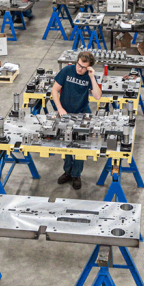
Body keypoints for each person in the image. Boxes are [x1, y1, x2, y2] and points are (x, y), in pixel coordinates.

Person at [52, 50, 102, 190]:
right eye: (78, 65)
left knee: (80, 147)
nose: (79, 69)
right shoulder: (68, 70)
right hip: (65, 112)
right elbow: (54, 90)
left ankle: (76, 175)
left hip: (82, 113)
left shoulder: (88, 75)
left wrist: (92, 77)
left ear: (89, 67)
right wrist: (60, 109)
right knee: (66, 144)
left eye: (83, 67)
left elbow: (97, 96)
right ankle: (67, 172)